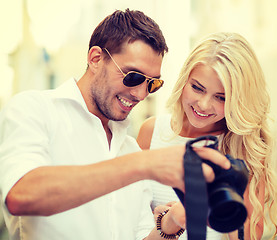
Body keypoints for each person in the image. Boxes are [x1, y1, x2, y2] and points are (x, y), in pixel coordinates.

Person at [0, 9, 231, 240]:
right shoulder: (35, 109)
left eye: (152, 84)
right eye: (133, 76)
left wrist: (171, 223)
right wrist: (143, 164)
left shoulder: (129, 147)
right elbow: (21, 195)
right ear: (96, 59)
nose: (141, 94)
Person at [137, 32, 277, 240]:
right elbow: (127, 222)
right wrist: (169, 221)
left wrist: (217, 208)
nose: (203, 105)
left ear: (238, 101)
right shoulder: (151, 132)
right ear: (184, 80)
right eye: (197, 88)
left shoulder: (243, 147)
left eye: (221, 97)